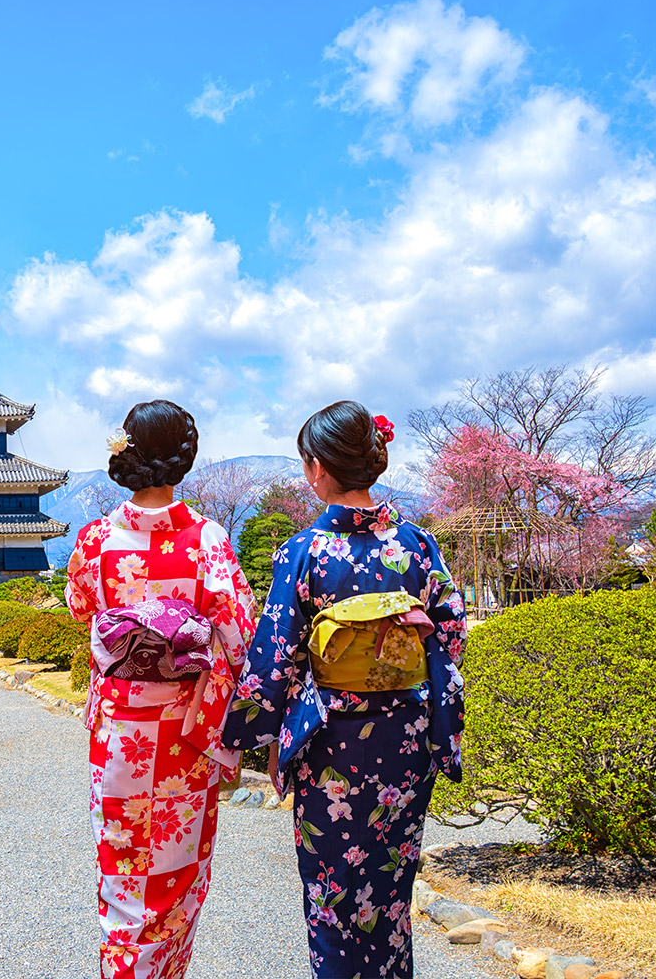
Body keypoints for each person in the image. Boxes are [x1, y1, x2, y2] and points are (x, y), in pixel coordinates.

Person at [222, 401, 466, 979]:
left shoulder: (302, 552)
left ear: (316, 469)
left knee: (332, 893)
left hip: (331, 738)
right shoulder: (418, 545)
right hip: (404, 737)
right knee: (390, 887)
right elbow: (451, 635)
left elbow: (275, 657)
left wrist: (247, 733)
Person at [64, 400, 257, 979]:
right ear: (184, 457)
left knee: (122, 877)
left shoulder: (97, 540)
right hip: (184, 735)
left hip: (120, 734)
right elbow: (240, 633)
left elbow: (80, 607)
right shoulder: (208, 540)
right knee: (174, 880)